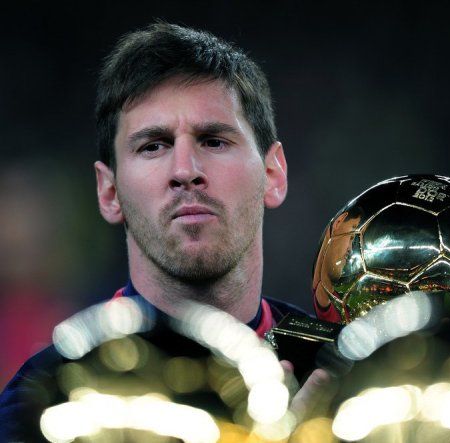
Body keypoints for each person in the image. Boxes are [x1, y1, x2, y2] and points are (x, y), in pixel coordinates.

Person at [0, 21, 332, 441]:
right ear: (109, 192)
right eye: (153, 145)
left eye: (213, 140)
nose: (184, 171)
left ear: (273, 174)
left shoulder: (346, 374)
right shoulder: (45, 404)